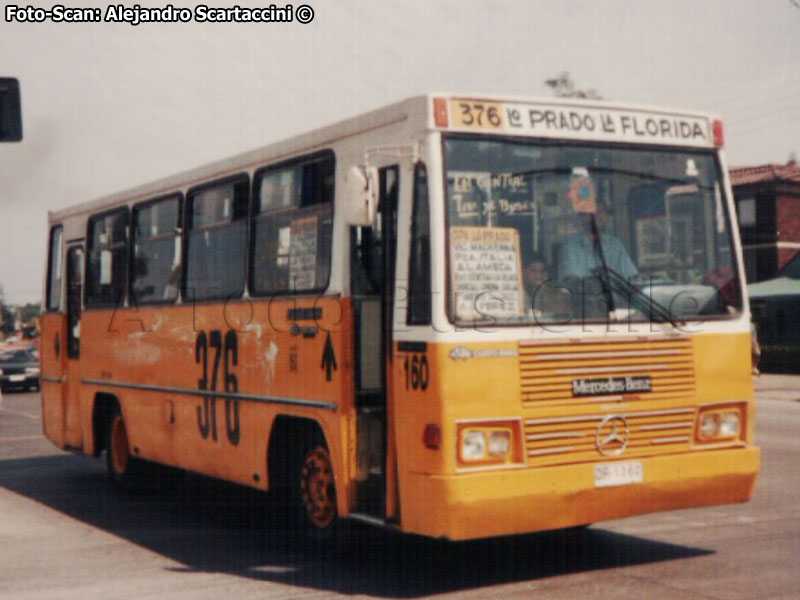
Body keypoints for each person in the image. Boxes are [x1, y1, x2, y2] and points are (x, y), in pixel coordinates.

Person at [558, 202, 637, 281]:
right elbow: (574, 281)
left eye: (602, 211)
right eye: (593, 212)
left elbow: (631, 276)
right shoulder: (571, 246)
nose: (598, 215)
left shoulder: (615, 244)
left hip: (616, 293)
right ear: (583, 217)